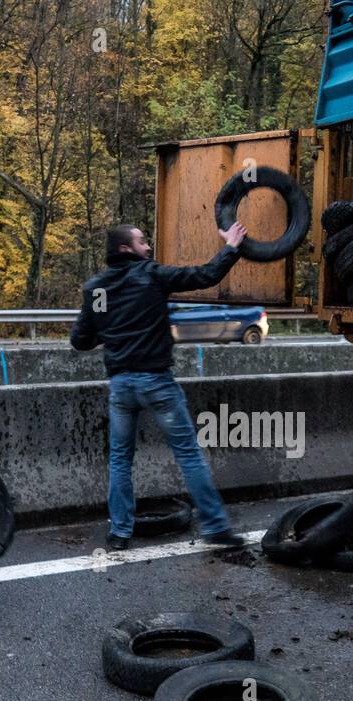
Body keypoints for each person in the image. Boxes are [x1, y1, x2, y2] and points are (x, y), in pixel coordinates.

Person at [71, 222, 247, 550]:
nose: (148, 246)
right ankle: (216, 527)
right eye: (142, 241)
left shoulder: (97, 289)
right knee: (189, 456)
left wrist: (110, 331)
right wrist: (232, 247)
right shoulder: (151, 275)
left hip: (121, 386)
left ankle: (120, 532)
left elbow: (81, 339)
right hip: (156, 383)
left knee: (121, 459)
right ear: (125, 248)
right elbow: (205, 275)